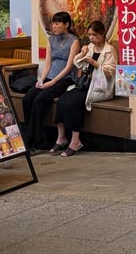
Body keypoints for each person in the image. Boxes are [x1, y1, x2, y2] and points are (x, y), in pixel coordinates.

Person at [52, 21, 117, 157]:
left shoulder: (109, 50)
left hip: (99, 87)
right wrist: (82, 54)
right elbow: (78, 64)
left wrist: (96, 64)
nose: (91, 38)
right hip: (85, 84)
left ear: (102, 34)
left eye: (94, 35)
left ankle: (75, 141)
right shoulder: (91, 47)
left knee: (74, 104)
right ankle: (61, 137)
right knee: (62, 101)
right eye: (90, 35)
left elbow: (111, 71)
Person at [21, 11, 81, 151]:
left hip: (64, 79)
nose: (54, 26)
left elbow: (69, 66)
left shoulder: (74, 41)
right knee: (28, 98)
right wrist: (41, 80)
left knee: (40, 99)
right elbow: (47, 63)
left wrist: (53, 82)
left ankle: (32, 140)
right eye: (53, 23)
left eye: (57, 23)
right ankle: (35, 136)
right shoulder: (51, 39)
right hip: (49, 76)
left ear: (66, 24)